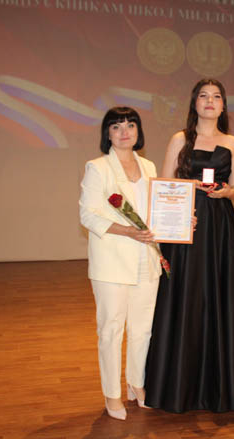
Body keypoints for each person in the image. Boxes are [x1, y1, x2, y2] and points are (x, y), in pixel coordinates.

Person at [144, 78, 234, 413]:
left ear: (223, 105)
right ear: (195, 103)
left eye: (216, 96)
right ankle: (179, 386)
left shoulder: (233, 142)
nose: (210, 101)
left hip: (220, 225)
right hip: (185, 222)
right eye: (204, 96)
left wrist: (226, 192)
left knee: (219, 296)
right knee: (185, 297)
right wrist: (188, 187)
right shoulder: (180, 139)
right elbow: (163, 184)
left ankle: (220, 387)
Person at [79, 107, 161, 420]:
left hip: (146, 259)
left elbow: (157, 210)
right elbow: (88, 216)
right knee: (111, 330)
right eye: (116, 126)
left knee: (143, 329)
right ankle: (111, 394)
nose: (124, 132)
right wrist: (128, 231)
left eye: (130, 125)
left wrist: (180, 221)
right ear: (108, 133)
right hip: (112, 262)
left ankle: (136, 384)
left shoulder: (149, 166)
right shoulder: (97, 167)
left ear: (138, 131)